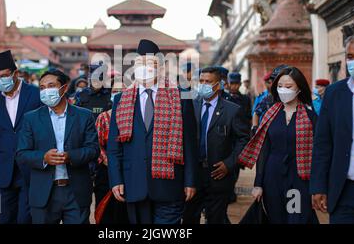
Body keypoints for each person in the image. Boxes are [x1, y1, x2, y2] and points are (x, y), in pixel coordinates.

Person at [107, 39, 198, 224]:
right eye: (140, 63)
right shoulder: (121, 100)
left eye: (151, 64)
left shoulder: (180, 97)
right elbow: (114, 147)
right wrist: (116, 179)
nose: (145, 68)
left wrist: (190, 180)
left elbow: (189, 143)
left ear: (161, 68)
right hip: (133, 182)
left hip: (170, 182)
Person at [16, 69, 99, 224]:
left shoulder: (84, 115)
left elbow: (93, 149)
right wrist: (43, 158)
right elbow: (21, 153)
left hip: (76, 193)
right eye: (42, 88)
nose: (46, 91)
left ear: (64, 88)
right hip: (44, 193)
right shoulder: (31, 118)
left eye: (51, 85)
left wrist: (70, 156)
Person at [239, 66, 319, 224]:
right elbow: (264, 149)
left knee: (295, 217)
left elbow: (318, 153)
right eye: (280, 86)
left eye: (288, 87)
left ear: (300, 89)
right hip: (272, 177)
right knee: (277, 219)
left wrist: (317, 186)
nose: (283, 90)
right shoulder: (270, 115)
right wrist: (258, 184)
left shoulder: (310, 117)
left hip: (298, 179)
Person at [0, 50, 41, 224]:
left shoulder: (35, 95)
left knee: (24, 220)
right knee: (4, 219)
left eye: (4, 76)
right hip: (3, 173)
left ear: (15, 73)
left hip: (30, 172)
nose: (0, 80)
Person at [311, 32, 354, 224]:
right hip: (345, 192)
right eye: (350, 57)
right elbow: (322, 144)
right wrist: (319, 186)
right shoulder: (335, 93)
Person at [182, 67, 250, 224]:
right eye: (201, 81)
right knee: (189, 217)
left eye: (208, 82)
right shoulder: (191, 106)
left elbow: (244, 140)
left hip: (219, 176)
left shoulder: (232, 110)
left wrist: (230, 163)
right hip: (193, 175)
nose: (204, 85)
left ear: (219, 84)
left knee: (216, 218)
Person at [94, 81, 129, 224]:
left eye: (122, 90)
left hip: (129, 171)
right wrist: (108, 160)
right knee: (106, 213)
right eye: (115, 90)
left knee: (126, 212)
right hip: (106, 171)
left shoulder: (134, 117)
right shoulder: (103, 117)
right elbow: (95, 144)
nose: (118, 93)